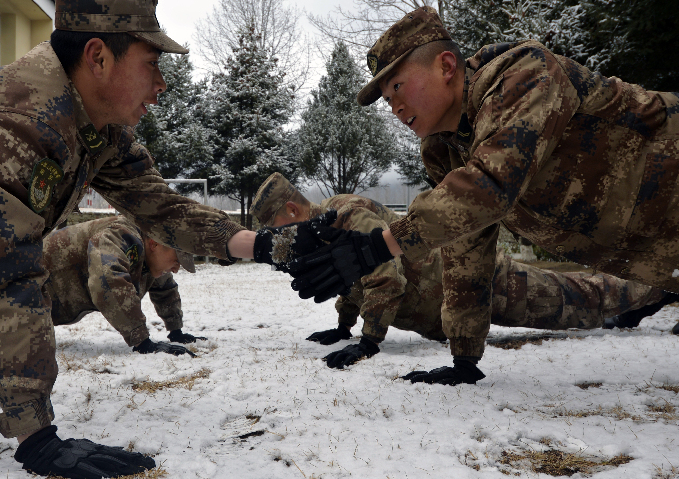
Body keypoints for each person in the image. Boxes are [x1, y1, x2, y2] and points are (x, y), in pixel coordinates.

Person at [0, 0, 330, 479]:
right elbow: (1, 274)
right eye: (152, 63)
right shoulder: (14, 122)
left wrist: (268, 245)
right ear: (98, 58)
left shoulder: (96, 131)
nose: (162, 84)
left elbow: (163, 209)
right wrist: (37, 437)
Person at [287, 6, 679, 386]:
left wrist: (378, 246)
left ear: (446, 66)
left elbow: (490, 184)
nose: (395, 107)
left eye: (398, 87)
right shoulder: (444, 149)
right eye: (388, 99)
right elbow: (465, 243)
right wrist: (464, 357)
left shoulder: (527, 73)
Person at [253, 173, 676, 370]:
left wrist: (368, 341)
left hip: (474, 286)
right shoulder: (322, 230)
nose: (277, 240)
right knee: (575, 301)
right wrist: (343, 327)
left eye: (275, 229)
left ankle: (661, 287)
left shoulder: (346, 214)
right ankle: (643, 300)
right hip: (448, 303)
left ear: (291, 210)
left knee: (576, 301)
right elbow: (350, 280)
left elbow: (385, 278)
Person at [0, 215, 205, 348]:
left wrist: (175, 329)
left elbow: (164, 287)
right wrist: (141, 341)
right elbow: (107, 281)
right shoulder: (122, 236)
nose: (177, 268)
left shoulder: (147, 260)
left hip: (26, 298)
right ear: (154, 243)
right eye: (177, 259)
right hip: (5, 283)